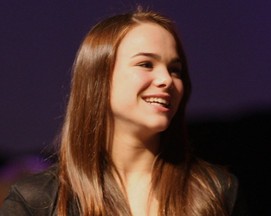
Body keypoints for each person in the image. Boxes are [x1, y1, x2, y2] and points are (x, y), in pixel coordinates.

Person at [0, 7, 248, 216]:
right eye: (145, 64)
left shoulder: (217, 190)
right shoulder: (38, 199)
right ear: (99, 79)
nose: (166, 80)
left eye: (175, 70)